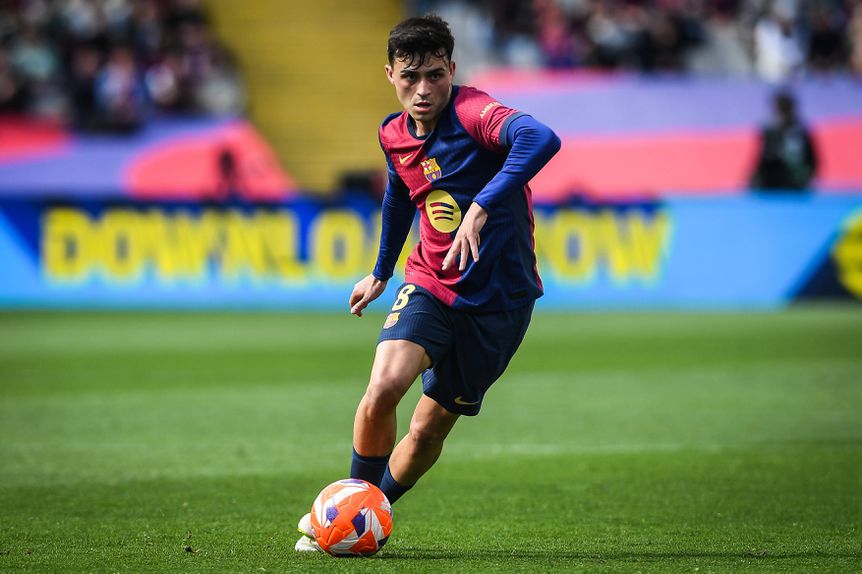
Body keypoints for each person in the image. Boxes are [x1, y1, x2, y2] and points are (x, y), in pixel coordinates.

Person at [295, 14, 560, 552]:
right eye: (410, 76)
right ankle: (347, 514)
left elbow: (540, 137)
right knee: (382, 389)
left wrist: (482, 205)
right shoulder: (392, 134)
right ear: (390, 74)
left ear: (451, 72)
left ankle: (372, 510)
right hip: (431, 283)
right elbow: (399, 195)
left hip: (499, 302)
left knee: (426, 430)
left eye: (435, 76)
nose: (423, 89)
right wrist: (381, 271)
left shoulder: (473, 113)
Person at [750, 91, 818, 192]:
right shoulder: (769, 132)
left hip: (795, 186)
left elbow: (813, 161)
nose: (782, 113)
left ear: (792, 109)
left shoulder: (800, 132)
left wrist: (804, 178)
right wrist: (754, 178)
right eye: (780, 109)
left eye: (785, 109)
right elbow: (761, 160)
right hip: (771, 185)